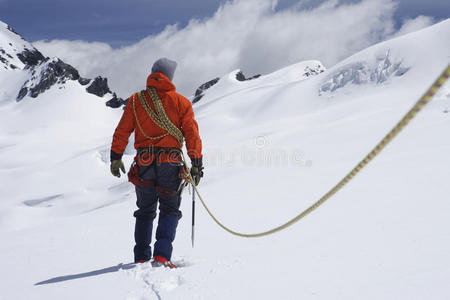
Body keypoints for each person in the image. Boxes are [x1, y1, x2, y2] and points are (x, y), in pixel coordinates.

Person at [109, 58, 203, 268]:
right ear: (170, 77)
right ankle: (161, 256)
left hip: (144, 161)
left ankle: (141, 257)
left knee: (145, 210)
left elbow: (123, 130)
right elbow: (191, 133)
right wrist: (196, 162)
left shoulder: (135, 101)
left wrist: (115, 156)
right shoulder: (181, 102)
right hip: (170, 161)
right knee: (169, 209)